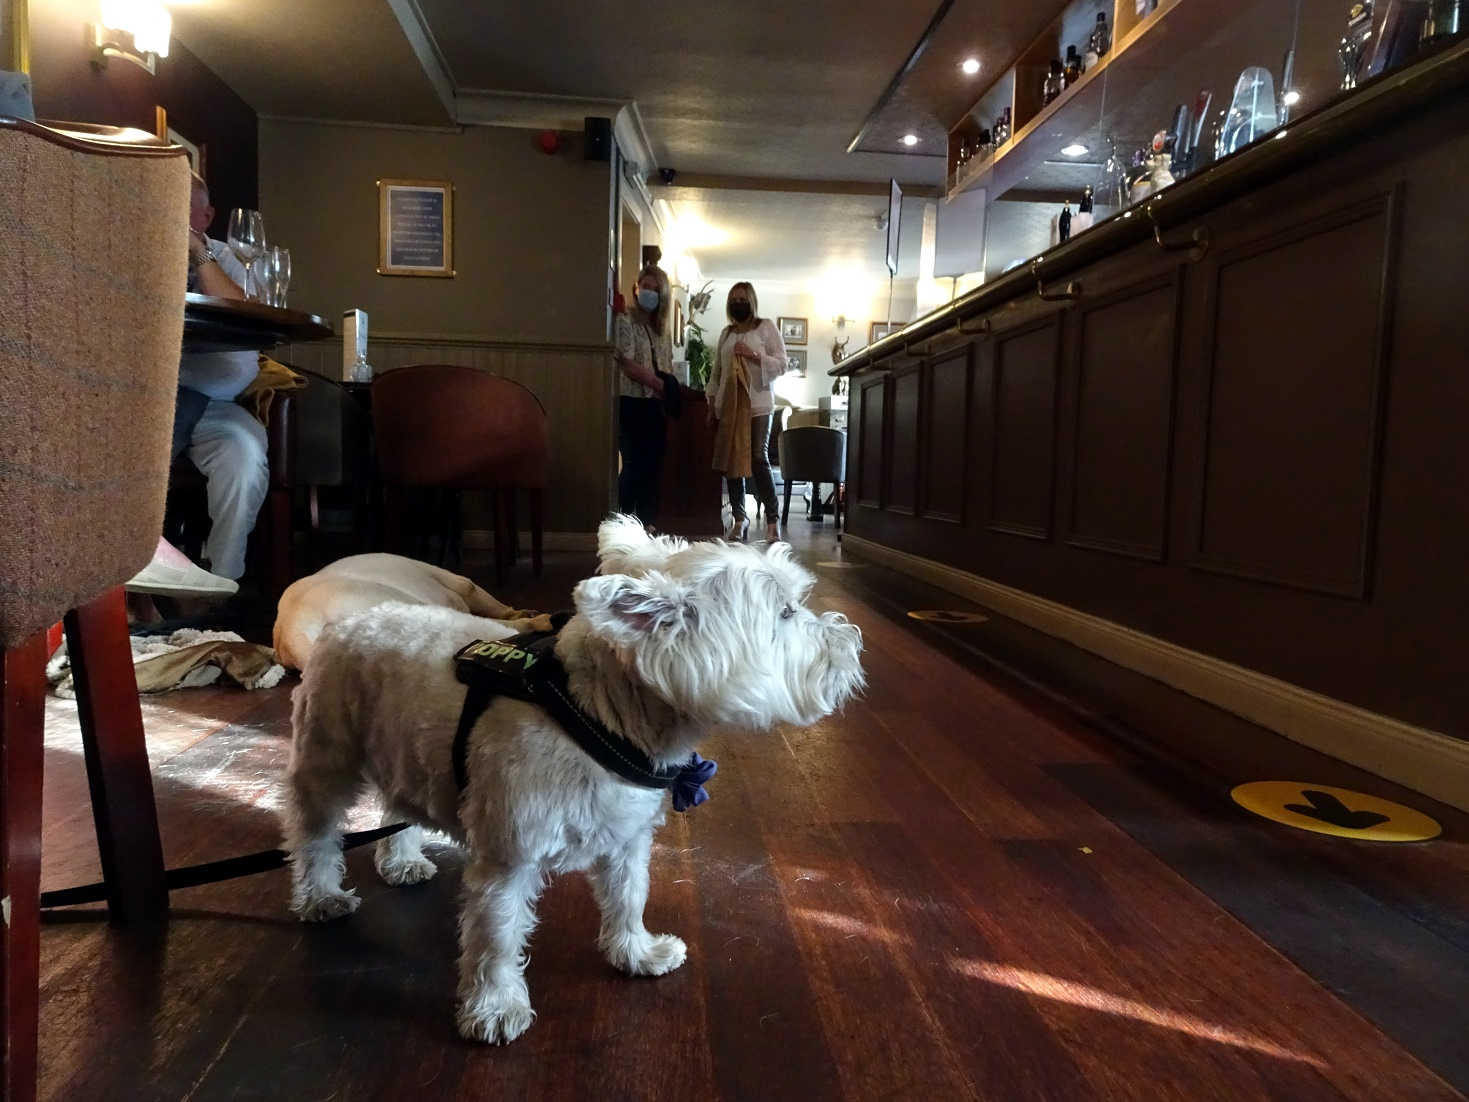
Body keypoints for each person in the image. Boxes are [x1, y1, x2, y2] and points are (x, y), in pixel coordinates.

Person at [128, 175, 269, 601]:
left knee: (244, 457)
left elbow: (248, 315)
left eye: (182, 205)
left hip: (215, 408)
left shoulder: (230, 259)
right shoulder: (135, 255)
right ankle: (129, 584)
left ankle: (221, 587)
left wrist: (197, 253)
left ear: (205, 216)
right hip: (143, 406)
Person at [705, 281, 787, 542]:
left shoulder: (765, 327)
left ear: (751, 302)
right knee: (732, 461)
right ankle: (739, 518)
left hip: (759, 403)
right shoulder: (726, 334)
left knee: (756, 457)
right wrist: (711, 402)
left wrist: (753, 355)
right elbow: (717, 370)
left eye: (743, 299)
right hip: (730, 404)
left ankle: (772, 519)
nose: (738, 303)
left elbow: (783, 363)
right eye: (734, 299)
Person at [613, 264, 673, 528]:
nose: (648, 292)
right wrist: (657, 384)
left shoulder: (662, 331)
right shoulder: (625, 320)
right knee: (633, 465)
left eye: (654, 289)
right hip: (631, 402)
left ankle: (648, 523)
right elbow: (625, 360)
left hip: (654, 407)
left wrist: (665, 388)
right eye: (644, 287)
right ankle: (625, 522)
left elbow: (667, 365)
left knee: (653, 467)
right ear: (636, 289)